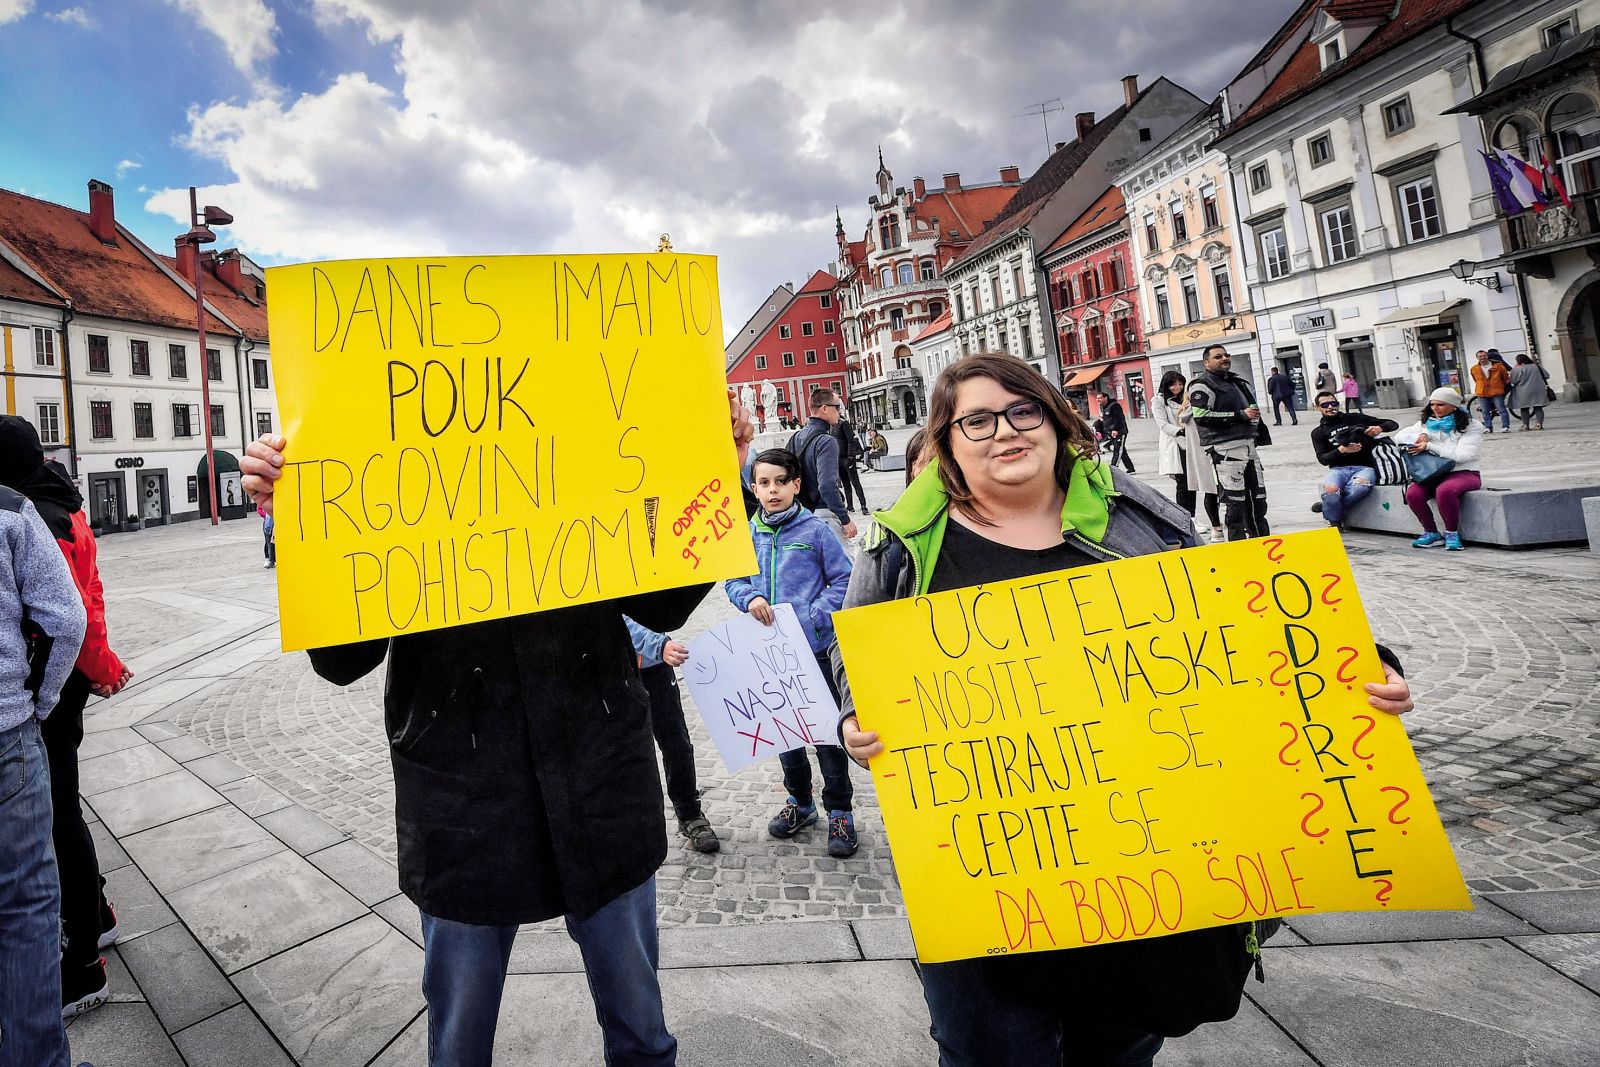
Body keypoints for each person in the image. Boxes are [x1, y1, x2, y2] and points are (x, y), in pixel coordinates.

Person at [835, 352, 1414, 1065]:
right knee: (988, 1049)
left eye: (1023, 410)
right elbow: (852, 659)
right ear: (948, 440)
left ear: (1054, 417)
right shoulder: (900, 543)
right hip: (986, 874)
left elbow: (1237, 624)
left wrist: (1358, 662)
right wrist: (852, 718)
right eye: (976, 420)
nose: (1004, 432)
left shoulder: (1136, 515)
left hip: (1140, 867)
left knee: (1116, 1047)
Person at [239, 394, 756, 1067]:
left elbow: (660, 602)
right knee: (459, 1049)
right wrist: (306, 521)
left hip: (596, 770)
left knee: (643, 1038)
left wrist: (716, 472)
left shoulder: (581, 393)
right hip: (460, 791)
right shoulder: (375, 417)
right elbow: (341, 660)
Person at [0, 417, 132, 1024]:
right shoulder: (62, 503)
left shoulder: (39, 520)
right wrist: (100, 665)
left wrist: (84, 675)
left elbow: (72, 612)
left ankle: (80, 961)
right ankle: (95, 915)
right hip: (67, 676)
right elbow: (91, 599)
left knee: (58, 814)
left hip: (50, 687)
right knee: (63, 807)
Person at [724, 448, 858, 857]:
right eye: (763, 483)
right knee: (786, 737)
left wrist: (815, 615)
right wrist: (749, 598)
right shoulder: (749, 534)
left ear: (795, 485)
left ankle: (840, 811)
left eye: (780, 482)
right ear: (753, 487)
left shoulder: (816, 530)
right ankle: (801, 804)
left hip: (814, 651)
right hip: (770, 656)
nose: (772, 490)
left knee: (827, 737)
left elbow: (844, 580)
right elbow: (732, 580)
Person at [0, 466, 88, 1067]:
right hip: (6, 733)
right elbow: (68, 617)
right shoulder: (8, 508)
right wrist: (40, 699)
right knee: (27, 906)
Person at [1189, 344, 1270, 541]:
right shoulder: (1201, 385)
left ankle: (1262, 542)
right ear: (1206, 362)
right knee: (1235, 501)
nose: (1224, 358)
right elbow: (1200, 416)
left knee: (1258, 498)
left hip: (1248, 446)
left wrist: (1256, 427)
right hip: (1225, 448)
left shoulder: (1236, 382)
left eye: (1226, 355)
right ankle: (1237, 545)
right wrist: (1240, 415)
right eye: (1218, 356)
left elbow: (1252, 409)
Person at [1397, 387, 1483, 551]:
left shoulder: (1472, 426)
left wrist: (1430, 446)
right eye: (1432, 404)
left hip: (1463, 472)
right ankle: (1431, 533)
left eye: (1441, 405)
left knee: (1445, 491)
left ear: (1454, 406)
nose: (1435, 409)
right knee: (1413, 494)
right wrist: (1422, 434)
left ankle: (1451, 533)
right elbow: (1399, 437)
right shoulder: (1426, 423)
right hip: (1433, 473)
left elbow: (1463, 455)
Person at [1308, 392, 1399, 528]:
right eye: (1325, 405)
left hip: (1364, 467)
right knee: (1331, 491)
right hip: (1338, 469)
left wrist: (1379, 428)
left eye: (1334, 403)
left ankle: (1329, 508)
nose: (1330, 407)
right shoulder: (1318, 432)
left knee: (1359, 487)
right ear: (1317, 407)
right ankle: (1334, 523)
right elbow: (1323, 459)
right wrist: (1342, 450)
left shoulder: (1354, 418)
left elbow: (1393, 424)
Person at [1154, 371, 1221, 540]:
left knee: (1193, 480)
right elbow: (1162, 424)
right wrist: (1181, 432)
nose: (1177, 388)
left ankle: (1193, 517)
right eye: (1173, 384)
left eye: (1180, 384)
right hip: (1175, 444)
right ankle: (1187, 518)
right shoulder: (1159, 401)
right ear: (1166, 385)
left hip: (1191, 444)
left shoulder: (1186, 398)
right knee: (1183, 483)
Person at [787, 389, 857, 546]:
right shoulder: (826, 441)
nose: (840, 412)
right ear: (824, 408)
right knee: (844, 567)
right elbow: (826, 485)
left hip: (802, 514)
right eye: (837, 407)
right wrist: (845, 519)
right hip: (824, 513)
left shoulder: (795, 437)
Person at [833, 413, 870, 514]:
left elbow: (850, 440)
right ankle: (850, 506)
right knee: (845, 484)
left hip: (847, 458)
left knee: (855, 483)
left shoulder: (843, 423)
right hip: (838, 458)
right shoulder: (832, 426)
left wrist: (850, 455)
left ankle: (863, 505)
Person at [1469, 350, 1511, 434]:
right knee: (1485, 411)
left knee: (1501, 409)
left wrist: (1498, 385)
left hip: (1496, 391)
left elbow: (1505, 378)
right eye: (1480, 356)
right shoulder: (1474, 368)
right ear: (1477, 358)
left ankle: (1505, 426)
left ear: (1487, 356)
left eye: (1484, 355)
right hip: (1482, 392)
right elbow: (1475, 379)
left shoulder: (1499, 366)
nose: (1482, 358)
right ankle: (1488, 427)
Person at [1096, 391, 1135, 473]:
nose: (1098, 400)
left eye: (1100, 398)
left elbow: (1119, 418)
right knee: (1122, 450)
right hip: (1111, 432)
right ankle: (1130, 468)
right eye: (1097, 398)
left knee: (1117, 450)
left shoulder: (1114, 406)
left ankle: (1113, 468)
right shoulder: (1104, 407)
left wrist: (1115, 429)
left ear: (1105, 397)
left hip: (1119, 431)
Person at [1508, 354, 1549, 431]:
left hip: (1523, 391)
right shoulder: (1536, 366)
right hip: (1538, 390)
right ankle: (1539, 424)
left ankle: (1525, 425)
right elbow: (1547, 375)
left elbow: (1513, 381)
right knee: (1538, 407)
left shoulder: (1517, 369)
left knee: (1524, 408)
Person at [260, 502, 276, 568]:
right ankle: (269, 560)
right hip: (268, 523)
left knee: (273, 543)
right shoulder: (264, 500)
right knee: (268, 543)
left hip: (275, 521)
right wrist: (266, 514)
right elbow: (259, 509)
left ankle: (273, 560)